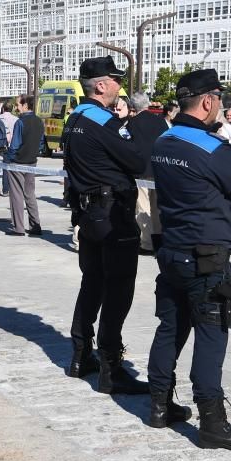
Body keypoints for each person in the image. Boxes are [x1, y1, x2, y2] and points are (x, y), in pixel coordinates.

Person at [147, 68, 231, 451]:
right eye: (219, 101)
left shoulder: (164, 140)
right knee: (212, 335)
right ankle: (213, 423)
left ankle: (159, 406)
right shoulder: (211, 147)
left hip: (173, 250)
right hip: (207, 255)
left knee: (171, 327)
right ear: (209, 101)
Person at [63, 56, 148, 393]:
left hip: (87, 212)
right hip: (112, 214)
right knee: (119, 289)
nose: (119, 87)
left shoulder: (75, 118)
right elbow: (138, 160)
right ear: (101, 85)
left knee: (93, 283)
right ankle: (112, 366)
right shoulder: (103, 121)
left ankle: (80, 354)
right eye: (116, 80)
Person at [127, 92, 168, 254]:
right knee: (157, 208)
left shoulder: (131, 124)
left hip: (140, 171)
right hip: (159, 170)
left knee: (142, 208)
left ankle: (147, 243)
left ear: (133, 107)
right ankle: (159, 239)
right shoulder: (161, 122)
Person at [4, 94, 43, 237]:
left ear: (25, 105)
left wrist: (8, 158)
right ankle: (35, 225)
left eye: (18, 105)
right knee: (30, 194)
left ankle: (18, 227)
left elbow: (15, 145)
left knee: (16, 195)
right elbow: (40, 143)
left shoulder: (20, 122)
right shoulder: (39, 121)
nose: (16, 107)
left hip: (18, 162)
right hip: (32, 162)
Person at [0, 100, 19, 197]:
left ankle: (5, 190)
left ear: (3, 109)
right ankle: (14, 189)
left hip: (1, 146)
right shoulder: (16, 119)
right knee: (13, 169)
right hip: (13, 146)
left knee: (5, 169)